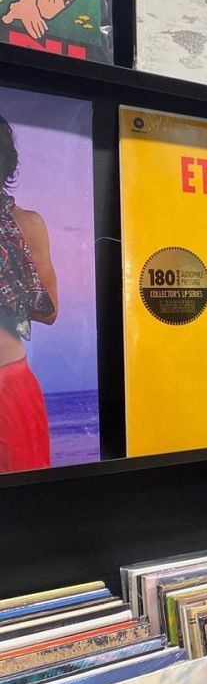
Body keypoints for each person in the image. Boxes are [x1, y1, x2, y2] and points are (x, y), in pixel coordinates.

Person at [0, 114, 57, 471]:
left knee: (22, 500)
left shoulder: (27, 223)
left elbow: (50, 311)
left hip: (9, 388)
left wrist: (9, 287)